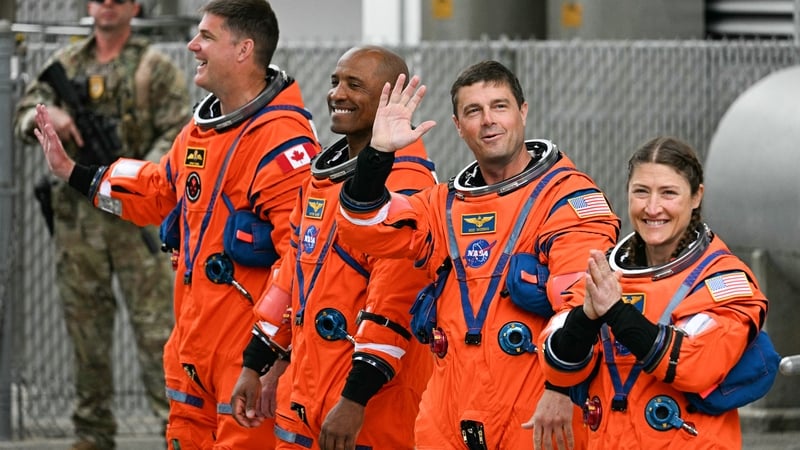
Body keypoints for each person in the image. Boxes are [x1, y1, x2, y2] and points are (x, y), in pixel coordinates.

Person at [31, 0, 322, 448]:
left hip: (246, 362)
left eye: (206, 36)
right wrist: (75, 172)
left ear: (243, 50)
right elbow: (157, 189)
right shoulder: (203, 129)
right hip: (194, 349)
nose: (192, 45)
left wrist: (271, 356)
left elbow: (302, 263)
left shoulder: (283, 142)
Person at [334, 60, 620, 449]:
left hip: (533, 411)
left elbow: (580, 306)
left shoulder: (567, 198)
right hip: (447, 414)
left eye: (499, 106)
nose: (488, 121)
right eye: (474, 111)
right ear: (457, 125)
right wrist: (379, 153)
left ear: (523, 111)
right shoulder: (443, 205)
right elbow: (364, 226)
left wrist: (561, 388)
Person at [229, 45, 437, 450]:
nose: (337, 94)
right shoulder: (321, 181)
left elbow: (394, 308)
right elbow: (290, 277)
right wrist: (256, 364)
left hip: (368, 408)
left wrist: (354, 400)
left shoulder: (409, 188)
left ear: (388, 98)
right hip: (305, 395)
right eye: (335, 82)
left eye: (354, 85)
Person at [13, 1, 189, 448]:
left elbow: (179, 132)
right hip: (79, 225)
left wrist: (135, 178)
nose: (106, 6)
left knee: (157, 334)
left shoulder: (155, 66)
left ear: (134, 7)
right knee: (86, 332)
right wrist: (47, 117)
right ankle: (92, 433)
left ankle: (177, 430)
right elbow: (23, 116)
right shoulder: (65, 63)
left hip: (136, 219)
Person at [539, 136, 769, 449]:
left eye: (669, 193)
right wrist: (587, 316)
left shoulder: (722, 280)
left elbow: (694, 363)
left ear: (696, 196)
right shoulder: (604, 273)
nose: (652, 208)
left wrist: (615, 312)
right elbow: (555, 360)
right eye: (641, 192)